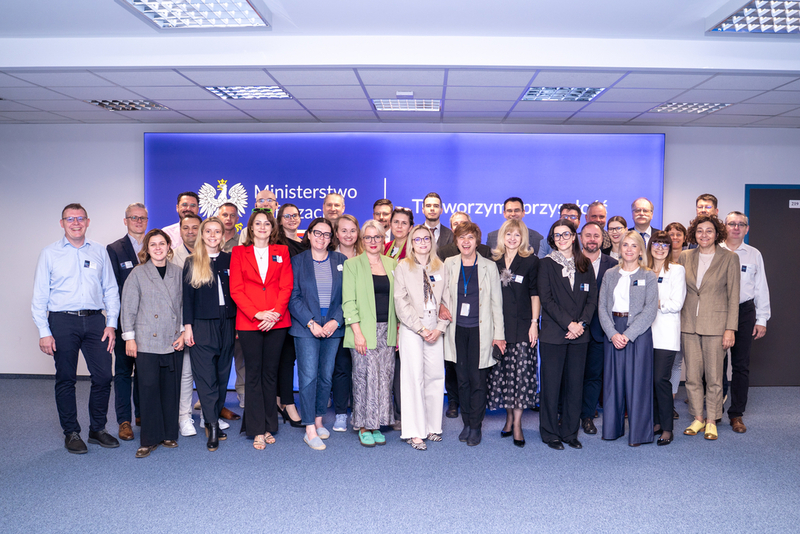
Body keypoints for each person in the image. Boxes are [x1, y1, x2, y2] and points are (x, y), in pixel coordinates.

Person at [32, 203, 121, 454]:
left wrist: (111, 323)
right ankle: (71, 432)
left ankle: (98, 429)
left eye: (80, 218)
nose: (76, 223)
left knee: (104, 376)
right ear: (62, 223)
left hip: (95, 321)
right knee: (66, 378)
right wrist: (43, 331)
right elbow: (39, 295)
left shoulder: (99, 251)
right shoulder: (49, 253)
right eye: (70, 219)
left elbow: (111, 290)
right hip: (62, 321)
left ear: (88, 221)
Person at [229, 209, 293, 450]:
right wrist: (257, 314)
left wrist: (274, 314)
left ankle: (269, 426)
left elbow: (287, 285)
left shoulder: (282, 251)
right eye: (258, 223)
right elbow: (236, 289)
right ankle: (256, 429)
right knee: (253, 374)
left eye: (267, 223)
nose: (263, 227)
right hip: (250, 321)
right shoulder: (239, 252)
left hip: (277, 321)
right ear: (251, 227)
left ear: (272, 228)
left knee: (270, 374)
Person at [120, 229, 185, 458]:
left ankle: (168, 434)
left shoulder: (178, 272)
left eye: (162, 244)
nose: (158, 248)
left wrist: (184, 332)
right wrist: (129, 338)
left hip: (172, 340)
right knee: (148, 390)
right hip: (146, 341)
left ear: (169, 247)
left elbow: (183, 306)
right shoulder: (138, 274)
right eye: (153, 245)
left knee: (170, 390)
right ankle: (148, 439)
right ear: (147, 249)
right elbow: (128, 308)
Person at [442, 221, 505, 446]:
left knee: (478, 380)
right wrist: (441, 305)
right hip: (456, 331)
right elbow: (439, 294)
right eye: (462, 238)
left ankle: (476, 426)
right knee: (462, 380)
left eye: (470, 237)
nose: (466, 242)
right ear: (456, 241)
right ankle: (466, 422)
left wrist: (499, 335)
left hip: (482, 331)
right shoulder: (448, 264)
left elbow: (497, 304)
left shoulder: (489, 266)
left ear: (477, 241)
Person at [679, 216, 740, 441]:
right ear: (694, 234)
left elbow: (733, 297)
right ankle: (698, 417)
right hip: (688, 325)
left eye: (709, 231)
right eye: (699, 231)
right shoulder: (685, 257)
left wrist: (730, 329)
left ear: (717, 234)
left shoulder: (729, 258)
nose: (704, 235)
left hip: (716, 326)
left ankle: (712, 419)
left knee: (714, 377)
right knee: (693, 377)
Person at [537, 218, 596, 451]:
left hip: (580, 335)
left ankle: (570, 432)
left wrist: (581, 323)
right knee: (551, 386)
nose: (562, 239)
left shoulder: (585, 264)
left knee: (574, 386)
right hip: (554, 335)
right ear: (553, 239)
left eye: (566, 234)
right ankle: (550, 432)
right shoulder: (545, 264)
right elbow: (547, 300)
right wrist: (569, 324)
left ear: (574, 237)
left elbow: (592, 298)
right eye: (557, 235)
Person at [287, 218, 346, 451]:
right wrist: (311, 323)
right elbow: (293, 297)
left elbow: (347, 297)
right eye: (317, 233)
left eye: (327, 234)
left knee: (326, 376)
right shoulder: (297, 262)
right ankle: (309, 427)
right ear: (309, 235)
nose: (322, 238)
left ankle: (320, 418)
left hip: (333, 327)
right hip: (306, 327)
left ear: (332, 238)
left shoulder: (341, 261)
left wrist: (336, 320)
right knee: (309, 376)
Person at [598, 231, 658, 447]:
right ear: (620, 248)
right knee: (613, 382)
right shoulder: (610, 274)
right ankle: (612, 430)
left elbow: (650, 310)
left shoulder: (649, 276)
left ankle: (639, 434)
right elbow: (602, 308)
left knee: (638, 383)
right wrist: (613, 333)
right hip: (613, 330)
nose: (629, 249)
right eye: (625, 245)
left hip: (638, 334)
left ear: (641, 250)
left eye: (634, 245)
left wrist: (628, 334)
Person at [393, 225, 450, 451]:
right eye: (417, 239)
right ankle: (414, 432)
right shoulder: (403, 267)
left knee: (435, 377)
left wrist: (439, 327)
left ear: (431, 241)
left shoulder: (441, 266)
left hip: (434, 327)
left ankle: (431, 426)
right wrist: (420, 329)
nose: (423, 242)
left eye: (426, 238)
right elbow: (401, 302)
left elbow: (448, 301)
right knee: (413, 378)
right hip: (412, 327)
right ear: (411, 243)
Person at [183, 217, 237, 452]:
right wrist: (188, 327)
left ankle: (213, 416)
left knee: (223, 374)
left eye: (218, 231)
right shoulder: (192, 262)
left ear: (223, 235)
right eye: (209, 231)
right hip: (202, 325)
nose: (214, 235)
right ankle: (212, 425)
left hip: (229, 323)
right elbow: (187, 298)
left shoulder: (230, 259)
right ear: (202, 235)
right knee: (206, 377)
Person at [342, 220, 398, 447]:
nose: (373, 241)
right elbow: (348, 301)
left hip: (389, 331)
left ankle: (378, 424)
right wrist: (357, 332)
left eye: (378, 237)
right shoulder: (353, 264)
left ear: (384, 239)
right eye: (368, 237)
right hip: (363, 332)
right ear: (362, 241)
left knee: (384, 379)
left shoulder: (393, 264)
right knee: (365, 378)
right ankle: (364, 425)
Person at [487, 219, 540, 448]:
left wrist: (534, 323)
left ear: (523, 238)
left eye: (517, 235)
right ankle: (508, 417)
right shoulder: (493, 262)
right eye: (508, 234)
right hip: (499, 328)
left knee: (520, 378)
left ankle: (517, 423)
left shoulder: (531, 262)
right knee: (505, 376)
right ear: (502, 236)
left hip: (522, 327)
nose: (512, 239)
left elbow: (535, 294)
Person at [721, 211, 770, 433]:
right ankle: (712, 413)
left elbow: (761, 288)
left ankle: (736, 414)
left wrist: (762, 319)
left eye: (741, 224)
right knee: (715, 365)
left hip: (745, 311)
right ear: (725, 226)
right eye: (732, 223)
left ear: (746, 229)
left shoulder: (753, 254)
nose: (736, 228)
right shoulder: (713, 251)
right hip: (718, 311)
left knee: (740, 365)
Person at [106, 202, 147, 441]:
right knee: (123, 373)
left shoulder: (156, 244)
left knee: (145, 372)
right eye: (134, 218)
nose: (138, 222)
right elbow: (111, 289)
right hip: (125, 322)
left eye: (142, 218)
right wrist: (112, 323)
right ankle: (124, 421)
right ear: (126, 221)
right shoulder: (114, 249)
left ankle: (143, 414)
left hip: (152, 324)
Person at [646, 231, 686, 446]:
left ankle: (668, 428)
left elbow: (676, 304)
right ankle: (656, 422)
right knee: (649, 380)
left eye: (665, 244)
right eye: (656, 244)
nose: (660, 248)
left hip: (666, 334)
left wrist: (653, 303)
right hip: (645, 334)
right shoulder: (644, 270)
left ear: (670, 249)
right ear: (650, 246)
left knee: (660, 379)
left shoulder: (677, 270)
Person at [578, 222, 616, 435]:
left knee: (593, 376)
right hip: (574, 328)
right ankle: (569, 415)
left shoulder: (613, 264)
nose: (592, 239)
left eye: (596, 236)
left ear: (603, 239)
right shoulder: (571, 261)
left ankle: (587, 416)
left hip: (600, 329)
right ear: (581, 238)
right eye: (588, 235)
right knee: (572, 375)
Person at [273, 203, 307, 427]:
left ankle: (279, 398)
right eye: (287, 216)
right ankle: (287, 402)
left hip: (302, 308)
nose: (292, 219)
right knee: (285, 358)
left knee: (291, 357)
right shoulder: (277, 244)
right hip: (284, 308)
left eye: (295, 215)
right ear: (280, 219)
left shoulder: (305, 243)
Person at [170, 213, 202, 437]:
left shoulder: (208, 254)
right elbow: (174, 299)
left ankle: (210, 414)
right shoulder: (173, 258)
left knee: (207, 372)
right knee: (187, 372)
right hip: (184, 324)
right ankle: (184, 416)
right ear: (179, 231)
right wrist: (183, 327)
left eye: (194, 227)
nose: (190, 231)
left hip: (207, 323)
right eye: (186, 228)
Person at [331, 214, 362, 432]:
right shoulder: (329, 257)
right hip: (338, 324)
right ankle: (341, 414)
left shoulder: (367, 256)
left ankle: (362, 413)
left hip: (362, 323)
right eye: (343, 230)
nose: (348, 234)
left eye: (352, 230)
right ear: (336, 233)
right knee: (341, 370)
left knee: (361, 371)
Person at [664, 221, 688, 408]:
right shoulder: (658, 258)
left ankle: (670, 402)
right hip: (665, 316)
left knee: (676, 362)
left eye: (678, 234)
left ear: (685, 238)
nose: (675, 237)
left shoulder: (690, 258)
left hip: (686, 315)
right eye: (671, 234)